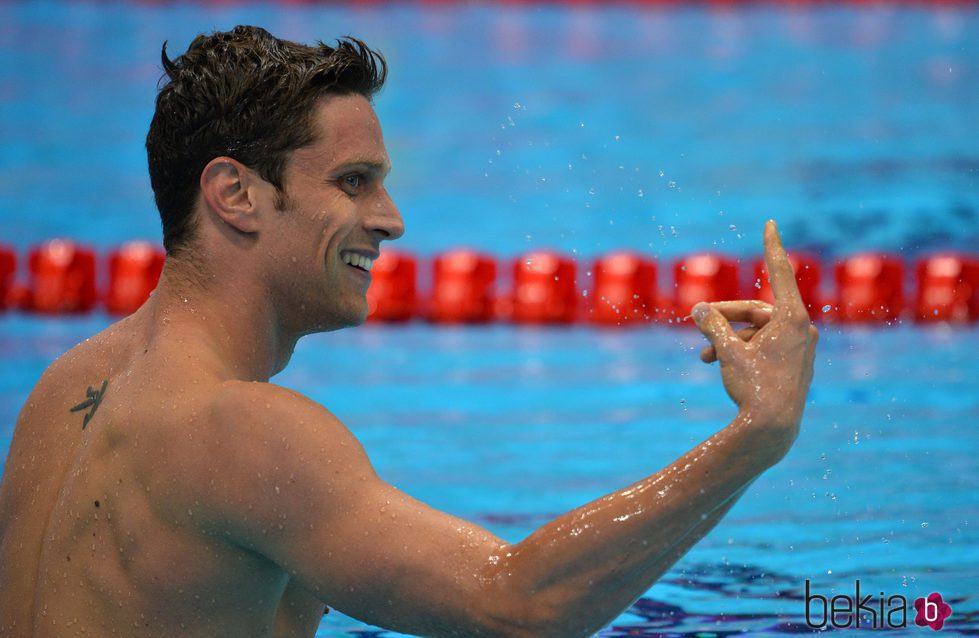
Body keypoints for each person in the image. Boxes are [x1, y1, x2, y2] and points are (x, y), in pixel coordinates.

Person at [0, 25, 818, 638]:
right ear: (235, 195)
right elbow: (518, 604)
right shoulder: (243, 435)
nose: (389, 221)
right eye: (353, 183)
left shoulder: (66, 387)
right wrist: (756, 435)